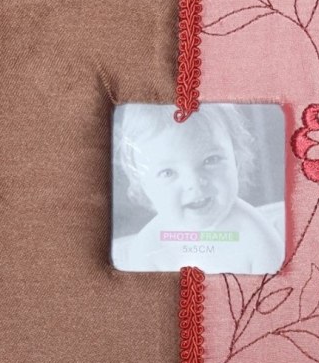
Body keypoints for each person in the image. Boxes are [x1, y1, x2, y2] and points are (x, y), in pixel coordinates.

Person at [112, 103, 284, 274]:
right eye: (168, 172)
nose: (194, 183)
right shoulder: (146, 250)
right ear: (143, 184)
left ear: (236, 160)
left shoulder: (258, 240)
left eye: (211, 160)